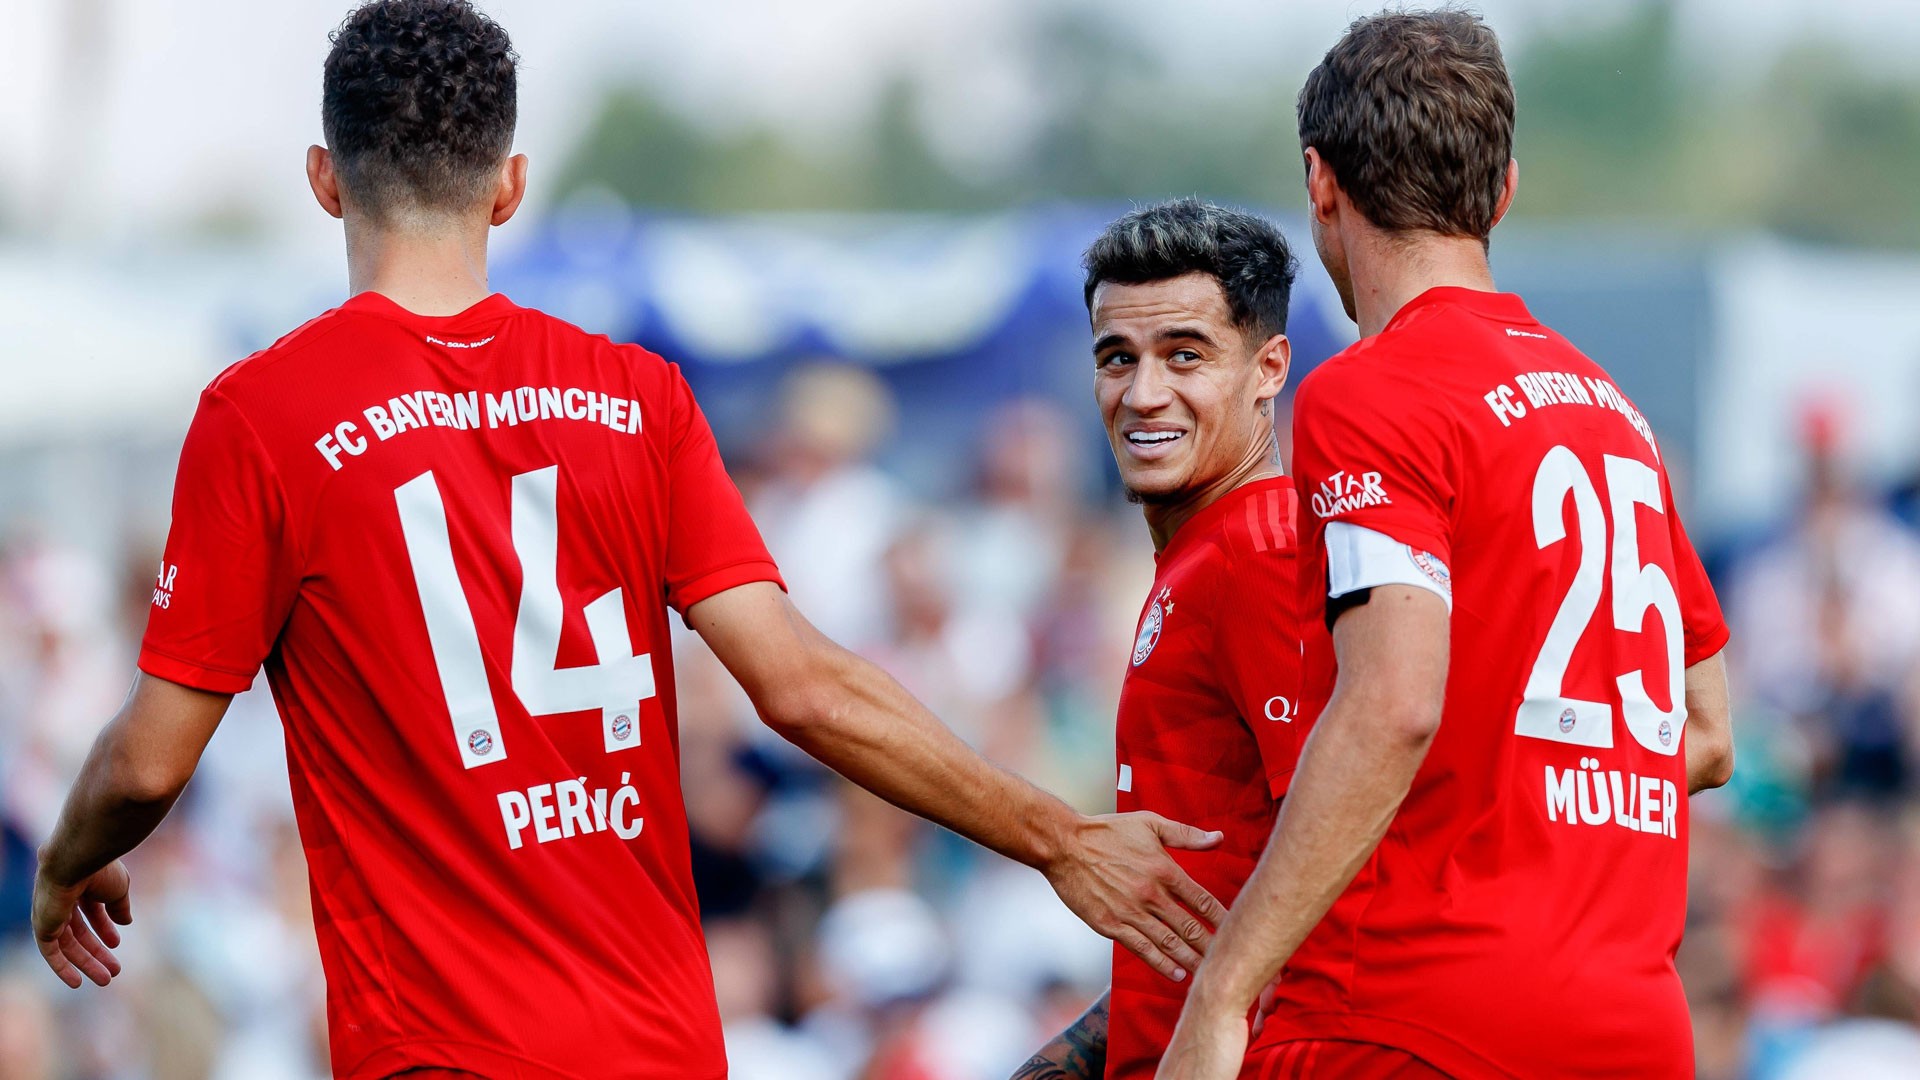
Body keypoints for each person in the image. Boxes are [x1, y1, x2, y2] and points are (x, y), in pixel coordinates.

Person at [27, 4, 1228, 1079]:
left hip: (446, 1052)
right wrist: (1059, 837)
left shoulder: (266, 414)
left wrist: (67, 857)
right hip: (661, 1045)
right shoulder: (635, 395)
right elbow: (803, 686)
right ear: (509, 186)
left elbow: (147, 766)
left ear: (323, 180)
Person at [1156, 11, 1736, 1079]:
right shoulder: (1613, 412)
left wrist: (1221, 996)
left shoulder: (1373, 389)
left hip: (1412, 1018)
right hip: (1636, 1030)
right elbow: (1705, 733)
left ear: (1320, 183)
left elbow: (1394, 703)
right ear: (1503, 190)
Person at [1013, 201, 1309, 1080]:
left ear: (1268, 368)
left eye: (1185, 355)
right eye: (1118, 358)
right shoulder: (1203, 558)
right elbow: (1213, 904)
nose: (1143, 394)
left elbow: (1353, 858)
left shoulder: (1261, 556)